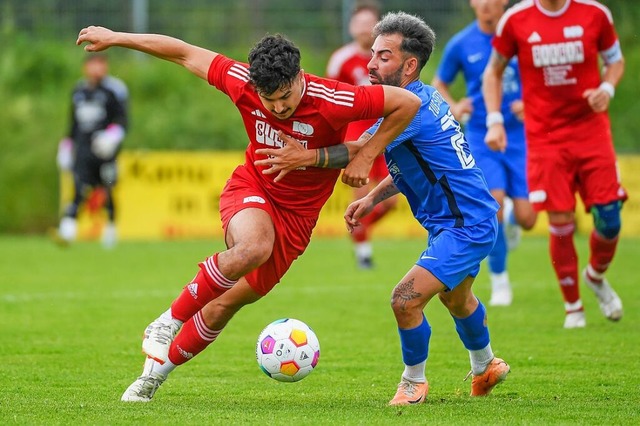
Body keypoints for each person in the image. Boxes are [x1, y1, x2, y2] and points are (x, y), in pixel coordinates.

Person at [75, 26, 421, 402]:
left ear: (299, 77)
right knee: (254, 247)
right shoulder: (241, 80)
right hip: (252, 188)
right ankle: (166, 322)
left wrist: (357, 156)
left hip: (298, 221)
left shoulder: (334, 98)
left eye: (285, 97)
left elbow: (406, 104)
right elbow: (183, 52)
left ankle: (153, 377)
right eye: (268, 100)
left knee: (225, 303)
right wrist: (117, 37)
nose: (278, 108)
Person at [258, 12, 510, 405]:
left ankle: (414, 383)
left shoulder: (412, 110)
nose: (370, 64)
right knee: (457, 300)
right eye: (372, 54)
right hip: (459, 221)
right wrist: (372, 197)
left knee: (404, 299)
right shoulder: (420, 101)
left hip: (466, 225)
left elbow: (356, 151)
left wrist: (302, 157)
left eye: (383, 57)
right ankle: (487, 365)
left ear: (410, 65)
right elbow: (418, 167)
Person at [483, 0, 626, 328]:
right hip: (545, 138)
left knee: (610, 219)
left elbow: (615, 62)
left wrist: (607, 87)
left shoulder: (595, 14)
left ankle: (595, 275)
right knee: (560, 220)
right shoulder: (515, 21)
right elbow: (493, 71)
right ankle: (573, 307)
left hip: (592, 133)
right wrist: (495, 120)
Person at [432, 0, 537, 306]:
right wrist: (455, 105)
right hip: (481, 135)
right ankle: (500, 280)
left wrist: (531, 103)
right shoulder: (461, 43)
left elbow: (543, 79)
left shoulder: (524, 35)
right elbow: (439, 84)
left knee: (528, 217)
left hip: (520, 134)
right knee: (495, 207)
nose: (486, 4)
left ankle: (514, 225)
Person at [326, 1, 397, 269]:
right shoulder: (341, 59)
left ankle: (362, 231)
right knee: (362, 194)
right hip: (357, 133)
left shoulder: (388, 57)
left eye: (369, 23)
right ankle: (364, 253)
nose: (364, 28)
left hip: (387, 131)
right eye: (359, 23)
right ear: (351, 27)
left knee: (390, 202)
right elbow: (330, 97)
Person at [53, 53, 128, 248]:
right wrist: (67, 145)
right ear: (85, 67)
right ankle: (67, 231)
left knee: (107, 188)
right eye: (93, 64)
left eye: (100, 64)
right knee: (79, 187)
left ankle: (111, 228)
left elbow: (122, 120)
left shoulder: (114, 90)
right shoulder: (79, 91)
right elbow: (73, 123)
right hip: (84, 150)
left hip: (104, 150)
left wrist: (111, 137)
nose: (96, 68)